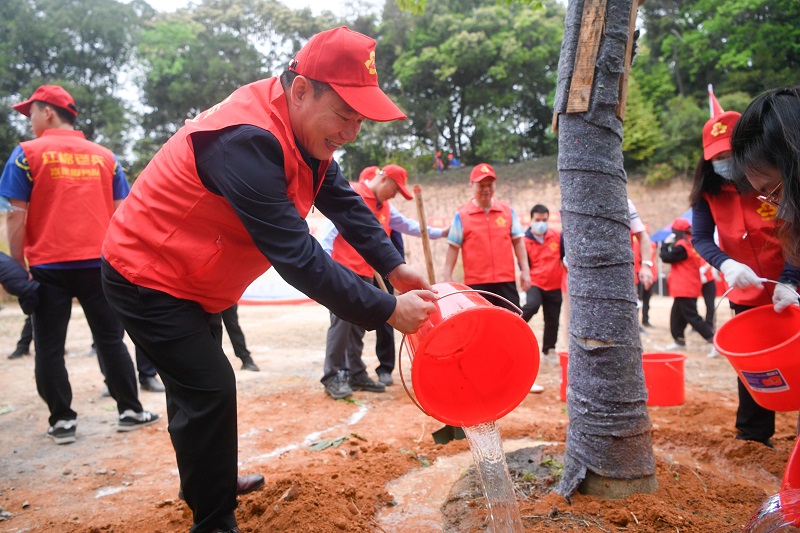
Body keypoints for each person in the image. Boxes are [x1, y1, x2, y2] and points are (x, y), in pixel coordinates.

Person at [100, 27, 436, 533]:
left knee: (197, 389)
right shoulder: (245, 140)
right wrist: (387, 309)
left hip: (193, 280)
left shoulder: (298, 132)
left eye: (360, 120)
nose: (351, 131)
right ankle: (214, 521)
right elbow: (297, 256)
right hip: (147, 274)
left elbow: (341, 199)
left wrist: (393, 266)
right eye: (344, 114)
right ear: (302, 89)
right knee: (209, 386)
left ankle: (205, 478)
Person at [0, 84, 159, 445]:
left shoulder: (26, 154)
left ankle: (62, 420)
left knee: (49, 345)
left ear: (48, 112)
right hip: (99, 265)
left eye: (32, 114)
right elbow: (124, 213)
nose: (29, 122)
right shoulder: (106, 156)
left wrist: (16, 267)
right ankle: (130, 409)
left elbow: (14, 217)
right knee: (111, 339)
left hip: (48, 268)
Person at [694, 89, 799, 446]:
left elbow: (793, 232)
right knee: (755, 364)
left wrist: (790, 279)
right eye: (715, 157)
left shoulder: (777, 182)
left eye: (729, 155)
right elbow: (701, 239)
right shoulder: (709, 193)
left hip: (788, 282)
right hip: (746, 287)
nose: (723, 162)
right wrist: (726, 264)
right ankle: (754, 433)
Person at [319, 164, 448, 396]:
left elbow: (408, 226)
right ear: (384, 178)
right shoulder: (351, 193)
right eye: (395, 188)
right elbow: (326, 235)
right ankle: (331, 376)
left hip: (365, 273)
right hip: (343, 271)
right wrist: (327, 272)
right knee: (341, 327)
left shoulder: (386, 207)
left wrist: (440, 233)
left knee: (358, 326)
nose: (395, 194)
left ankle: (357, 374)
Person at [443, 163, 531, 311]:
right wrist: (447, 276)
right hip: (476, 283)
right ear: (471, 186)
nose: (486, 189)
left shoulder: (507, 211)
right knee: (480, 326)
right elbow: (453, 247)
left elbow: (518, 243)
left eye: (490, 185)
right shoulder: (462, 215)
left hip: (506, 280)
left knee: (512, 322)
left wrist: (525, 271)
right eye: (481, 185)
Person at [659, 218, 717, 354]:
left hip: (685, 286)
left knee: (692, 316)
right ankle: (679, 341)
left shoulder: (682, 247)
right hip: (685, 286)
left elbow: (666, 257)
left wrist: (665, 245)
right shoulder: (690, 243)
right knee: (676, 316)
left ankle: (713, 340)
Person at [521, 204, 565, 357]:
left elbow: (564, 257)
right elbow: (523, 265)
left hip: (554, 283)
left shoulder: (557, 236)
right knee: (532, 305)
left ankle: (548, 349)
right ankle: (516, 323)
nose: (541, 223)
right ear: (531, 220)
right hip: (535, 282)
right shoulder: (524, 241)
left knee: (553, 318)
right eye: (538, 219)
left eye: (544, 220)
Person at [217, 304, 259, 372]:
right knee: (213, 326)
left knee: (232, 325)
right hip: (208, 298)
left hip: (226, 298)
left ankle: (246, 358)